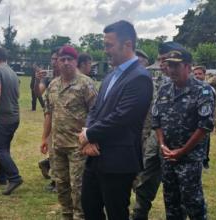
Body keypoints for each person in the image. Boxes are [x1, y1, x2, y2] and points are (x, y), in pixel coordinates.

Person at [78, 20, 153, 220]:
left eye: (109, 45)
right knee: (89, 207)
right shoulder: (111, 75)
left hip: (118, 161)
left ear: (127, 44)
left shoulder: (140, 78)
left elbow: (122, 117)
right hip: (94, 156)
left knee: (116, 213)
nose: (105, 51)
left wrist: (89, 134)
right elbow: (95, 108)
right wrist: (88, 134)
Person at [152, 46, 214, 219]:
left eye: (176, 66)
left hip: (189, 159)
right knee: (171, 203)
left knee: (193, 202)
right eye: (169, 65)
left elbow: (204, 126)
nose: (171, 70)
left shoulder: (203, 91)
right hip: (167, 157)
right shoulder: (164, 90)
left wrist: (182, 151)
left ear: (188, 67)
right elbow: (156, 121)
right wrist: (162, 145)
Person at [42, 45, 97, 220]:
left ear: (76, 62)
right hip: (57, 146)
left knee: (78, 188)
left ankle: (80, 217)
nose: (66, 63)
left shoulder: (85, 83)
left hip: (78, 147)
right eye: (62, 59)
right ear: (57, 62)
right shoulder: (53, 85)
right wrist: (44, 138)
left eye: (70, 59)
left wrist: (91, 139)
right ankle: (67, 215)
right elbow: (49, 113)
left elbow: (96, 113)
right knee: (61, 185)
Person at [131, 42, 185, 220]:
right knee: (146, 177)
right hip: (156, 139)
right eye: (160, 60)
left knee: (178, 186)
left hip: (179, 143)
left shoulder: (187, 83)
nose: (162, 63)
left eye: (166, 59)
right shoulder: (158, 82)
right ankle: (139, 214)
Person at [0, 47, 23, 195]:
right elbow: (18, 93)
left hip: (2, 117)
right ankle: (1, 176)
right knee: (4, 147)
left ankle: (14, 177)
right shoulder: (13, 72)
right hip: (14, 117)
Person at [35, 47, 62, 192]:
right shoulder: (48, 77)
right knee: (53, 150)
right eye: (52, 59)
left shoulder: (70, 77)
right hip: (51, 119)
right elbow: (39, 91)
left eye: (56, 58)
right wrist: (37, 79)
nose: (54, 62)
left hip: (68, 123)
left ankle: (58, 181)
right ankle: (55, 180)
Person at [193, 65, 214, 169]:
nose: (197, 76)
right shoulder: (191, 88)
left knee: (205, 141)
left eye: (200, 74)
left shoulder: (208, 88)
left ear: (204, 75)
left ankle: (205, 161)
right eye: (195, 74)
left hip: (205, 120)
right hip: (192, 122)